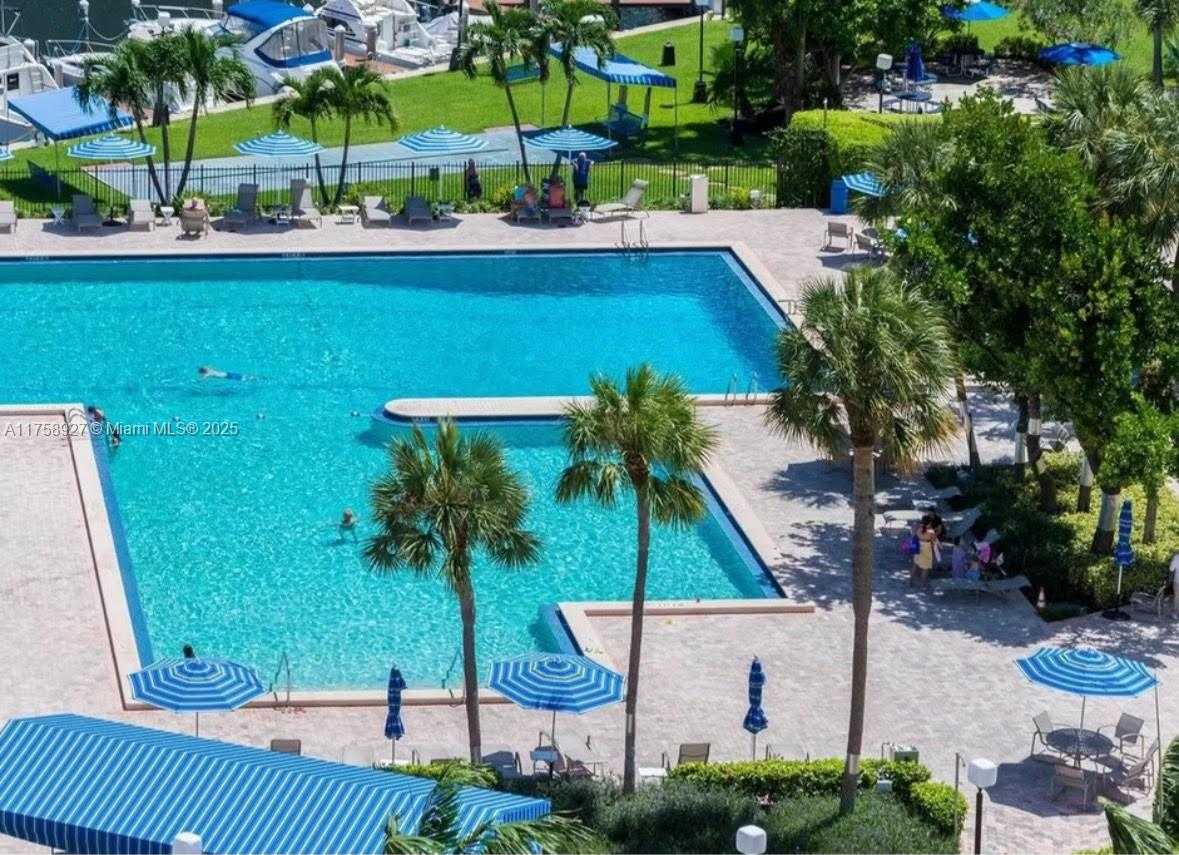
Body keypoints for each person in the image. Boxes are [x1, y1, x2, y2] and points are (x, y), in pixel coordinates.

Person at [910, 518, 938, 587]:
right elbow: (934, 540)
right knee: (925, 568)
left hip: (919, 547)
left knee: (915, 565)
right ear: (929, 523)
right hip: (927, 548)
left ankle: (910, 580)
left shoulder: (919, 530)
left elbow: (915, 537)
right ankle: (923, 584)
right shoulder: (931, 531)